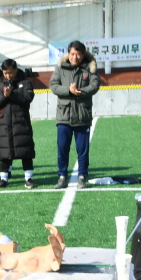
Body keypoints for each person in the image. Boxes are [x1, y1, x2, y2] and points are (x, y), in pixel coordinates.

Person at [48, 41, 99, 190]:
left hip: (82, 115)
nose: (75, 57)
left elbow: (95, 85)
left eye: (78, 54)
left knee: (83, 150)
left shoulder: (90, 68)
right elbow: (53, 85)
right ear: (68, 54)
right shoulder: (60, 68)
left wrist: (81, 92)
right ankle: (62, 176)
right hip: (64, 115)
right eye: (72, 54)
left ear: (83, 55)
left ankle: (82, 177)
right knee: (62, 149)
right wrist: (68, 91)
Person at [0, 59, 37, 189]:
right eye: (5, 73)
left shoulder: (26, 83)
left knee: (25, 151)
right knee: (4, 153)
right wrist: (5, 96)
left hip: (21, 123)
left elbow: (27, 99)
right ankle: (3, 179)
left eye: (10, 72)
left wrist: (12, 95)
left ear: (16, 69)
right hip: (4, 124)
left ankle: (29, 178)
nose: (8, 76)